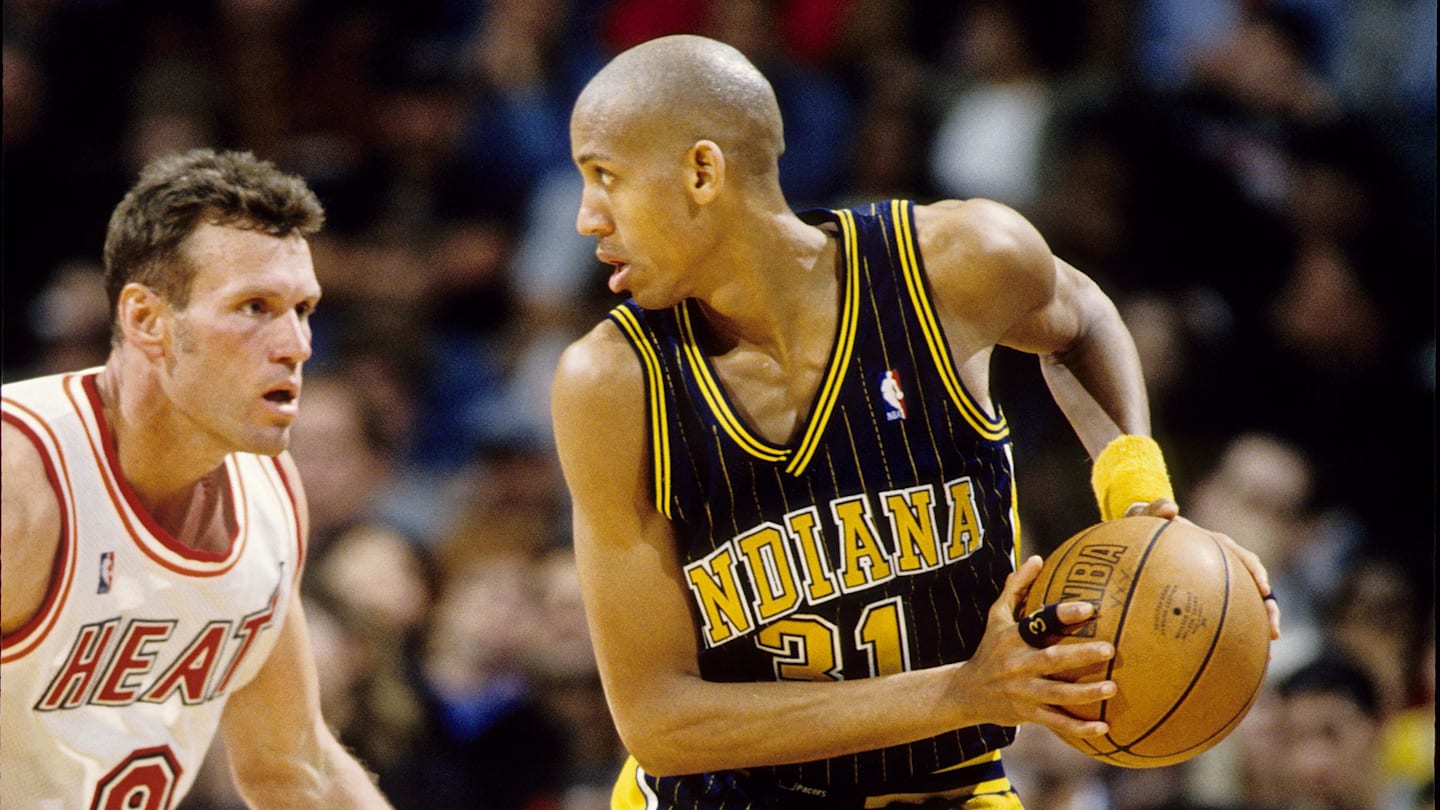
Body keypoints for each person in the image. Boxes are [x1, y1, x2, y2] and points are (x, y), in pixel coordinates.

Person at [549, 34, 1281, 808]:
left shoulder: (952, 266)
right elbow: (661, 722)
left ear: (703, 172)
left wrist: (1138, 497)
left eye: (606, 178)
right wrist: (966, 691)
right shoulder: (612, 383)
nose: (586, 218)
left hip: (948, 788)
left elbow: (1082, 315)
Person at [1, 148, 392, 808]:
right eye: (255, 307)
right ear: (147, 321)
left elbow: (295, 768)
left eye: (304, 309)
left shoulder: (271, 494)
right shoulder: (24, 483)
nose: (296, 343)